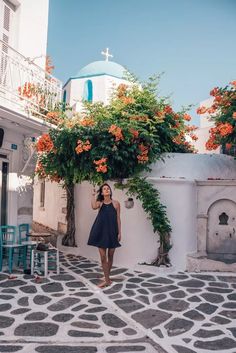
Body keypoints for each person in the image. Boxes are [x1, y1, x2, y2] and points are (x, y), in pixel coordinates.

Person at [87, 183, 121, 288]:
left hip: (112, 232)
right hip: (100, 231)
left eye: (108, 188)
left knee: (110, 256)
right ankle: (107, 280)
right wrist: (92, 195)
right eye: (104, 189)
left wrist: (120, 232)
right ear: (102, 193)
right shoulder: (100, 203)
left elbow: (118, 219)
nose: (106, 190)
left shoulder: (116, 204)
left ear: (110, 191)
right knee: (103, 257)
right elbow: (93, 207)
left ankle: (107, 277)